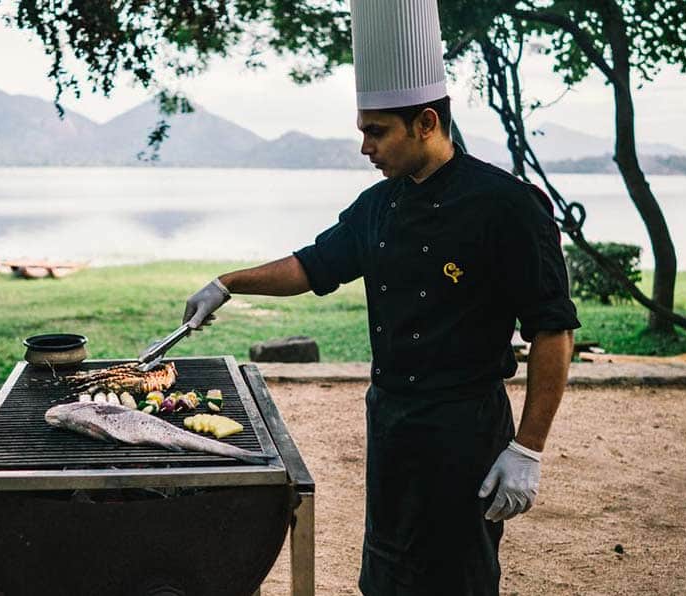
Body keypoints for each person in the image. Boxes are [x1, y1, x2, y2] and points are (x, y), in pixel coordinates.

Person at [179, 2, 580, 594]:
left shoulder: (507, 206)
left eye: (376, 131)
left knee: (456, 578)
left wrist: (528, 448)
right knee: (387, 572)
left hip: (463, 429)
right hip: (391, 420)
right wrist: (228, 283)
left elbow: (554, 329)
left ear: (425, 122)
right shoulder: (379, 205)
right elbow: (311, 265)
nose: (365, 146)